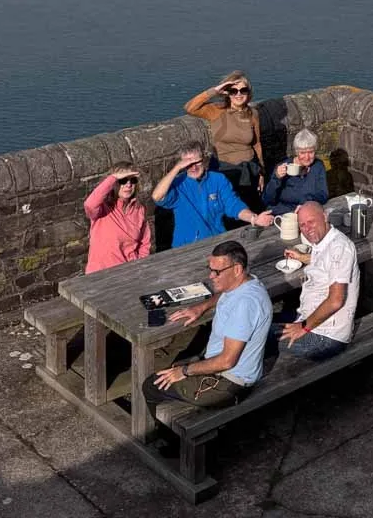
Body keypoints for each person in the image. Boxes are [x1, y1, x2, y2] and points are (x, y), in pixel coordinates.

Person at [142, 240, 272, 425]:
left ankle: (162, 436)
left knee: (151, 385)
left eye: (217, 272)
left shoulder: (245, 305)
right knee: (173, 366)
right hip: (231, 370)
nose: (211, 276)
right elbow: (225, 293)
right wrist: (201, 307)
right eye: (210, 269)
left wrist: (185, 371)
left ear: (237, 269)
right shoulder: (247, 283)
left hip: (229, 384)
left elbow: (227, 361)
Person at [278, 201, 360, 361]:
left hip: (325, 337)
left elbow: (335, 301)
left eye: (311, 222)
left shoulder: (340, 247)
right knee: (262, 320)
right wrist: (303, 257)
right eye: (302, 225)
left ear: (325, 217)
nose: (307, 229)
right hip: (310, 319)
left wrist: (304, 327)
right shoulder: (326, 242)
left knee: (257, 335)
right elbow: (327, 262)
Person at [152, 143, 273, 248]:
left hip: (216, 240)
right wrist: (177, 168)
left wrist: (254, 218)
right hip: (186, 246)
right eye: (188, 164)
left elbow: (233, 205)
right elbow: (157, 197)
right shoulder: (179, 184)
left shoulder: (218, 179)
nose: (193, 167)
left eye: (197, 162)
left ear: (204, 160)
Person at [183, 71, 264, 207]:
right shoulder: (217, 111)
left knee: (248, 210)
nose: (238, 94)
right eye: (233, 91)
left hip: (249, 170)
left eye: (243, 90)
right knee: (225, 209)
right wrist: (214, 91)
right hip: (224, 170)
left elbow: (256, 144)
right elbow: (190, 107)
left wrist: (261, 172)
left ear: (249, 93)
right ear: (227, 93)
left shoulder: (253, 114)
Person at [83, 161, 151, 273]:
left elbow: (144, 243)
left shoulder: (139, 209)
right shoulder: (102, 208)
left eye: (133, 180)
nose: (128, 185)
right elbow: (89, 204)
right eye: (122, 180)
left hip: (128, 273)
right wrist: (113, 177)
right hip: (100, 274)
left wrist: (139, 266)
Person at [262, 129, 329, 217]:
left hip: (307, 212)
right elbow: (267, 200)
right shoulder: (283, 167)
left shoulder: (318, 166)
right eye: (302, 153)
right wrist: (276, 178)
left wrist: (306, 204)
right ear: (296, 152)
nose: (307, 157)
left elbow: (323, 195)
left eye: (311, 152)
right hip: (283, 214)